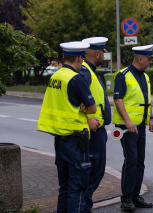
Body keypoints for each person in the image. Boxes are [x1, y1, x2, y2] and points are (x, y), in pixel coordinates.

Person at [37, 41, 97, 213]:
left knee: (64, 188)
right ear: (79, 58)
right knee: (77, 189)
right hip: (76, 141)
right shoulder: (76, 78)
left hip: (60, 140)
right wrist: (85, 106)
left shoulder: (56, 76)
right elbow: (92, 107)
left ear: (64, 57)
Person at [112, 44, 153, 212]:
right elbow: (118, 100)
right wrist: (128, 121)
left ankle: (136, 196)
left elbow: (147, 99)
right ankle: (126, 198)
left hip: (141, 126)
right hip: (127, 127)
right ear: (140, 59)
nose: (150, 62)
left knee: (139, 161)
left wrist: (151, 118)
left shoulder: (144, 76)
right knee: (131, 160)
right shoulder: (123, 75)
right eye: (149, 59)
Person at [80, 37, 112, 213]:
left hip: (97, 131)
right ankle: (84, 208)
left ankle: (85, 207)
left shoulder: (90, 72)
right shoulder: (85, 73)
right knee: (91, 173)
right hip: (92, 132)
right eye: (103, 53)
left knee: (95, 172)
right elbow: (73, 99)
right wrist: (87, 120)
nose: (104, 56)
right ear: (98, 54)